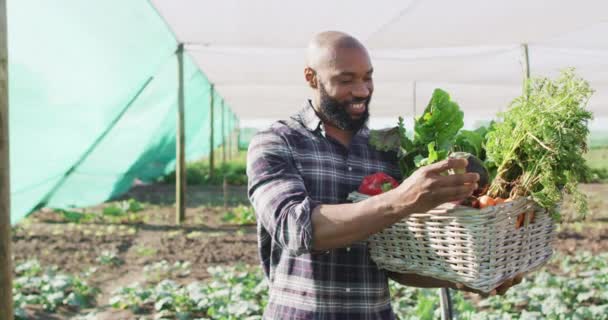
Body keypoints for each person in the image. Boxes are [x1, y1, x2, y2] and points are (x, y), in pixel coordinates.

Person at [246, 30, 521, 319]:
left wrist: (470, 280)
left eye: (368, 77)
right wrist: (403, 198)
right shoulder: (277, 143)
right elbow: (294, 229)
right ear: (311, 77)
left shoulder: (385, 151)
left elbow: (397, 261)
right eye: (346, 79)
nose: (362, 90)